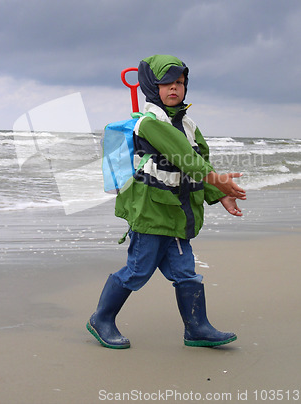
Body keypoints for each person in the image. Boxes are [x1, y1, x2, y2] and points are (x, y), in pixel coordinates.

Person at [87, 54, 246, 349]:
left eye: (180, 83)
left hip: (177, 213)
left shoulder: (189, 125)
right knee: (138, 270)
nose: (174, 88)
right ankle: (102, 318)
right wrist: (219, 180)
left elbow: (200, 160)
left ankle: (197, 328)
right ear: (152, 86)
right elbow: (184, 157)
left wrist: (219, 193)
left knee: (186, 271)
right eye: (166, 83)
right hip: (151, 212)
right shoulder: (150, 124)